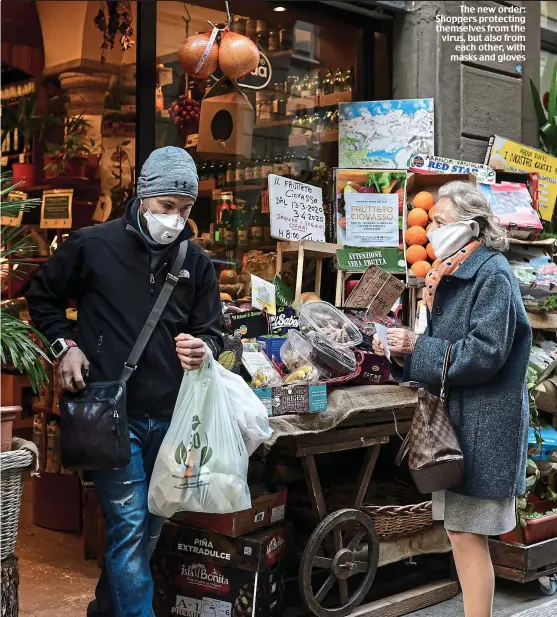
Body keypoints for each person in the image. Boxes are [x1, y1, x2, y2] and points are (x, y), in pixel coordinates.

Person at [26, 147, 223, 617]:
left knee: (146, 532)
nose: (175, 219)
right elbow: (43, 297)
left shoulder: (195, 261)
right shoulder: (93, 245)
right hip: (114, 417)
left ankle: (104, 611)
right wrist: (65, 347)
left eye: (185, 209)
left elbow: (215, 332)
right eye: (166, 207)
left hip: (174, 419)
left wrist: (205, 349)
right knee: (130, 527)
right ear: (143, 197)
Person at [373, 181, 531, 617]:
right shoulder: (450, 271)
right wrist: (407, 348)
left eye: (439, 221)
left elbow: (485, 354)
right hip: (462, 422)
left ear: (470, 225)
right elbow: (448, 344)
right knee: (462, 533)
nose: (431, 229)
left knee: (465, 534)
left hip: (483, 425)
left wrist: (416, 348)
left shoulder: (491, 273)